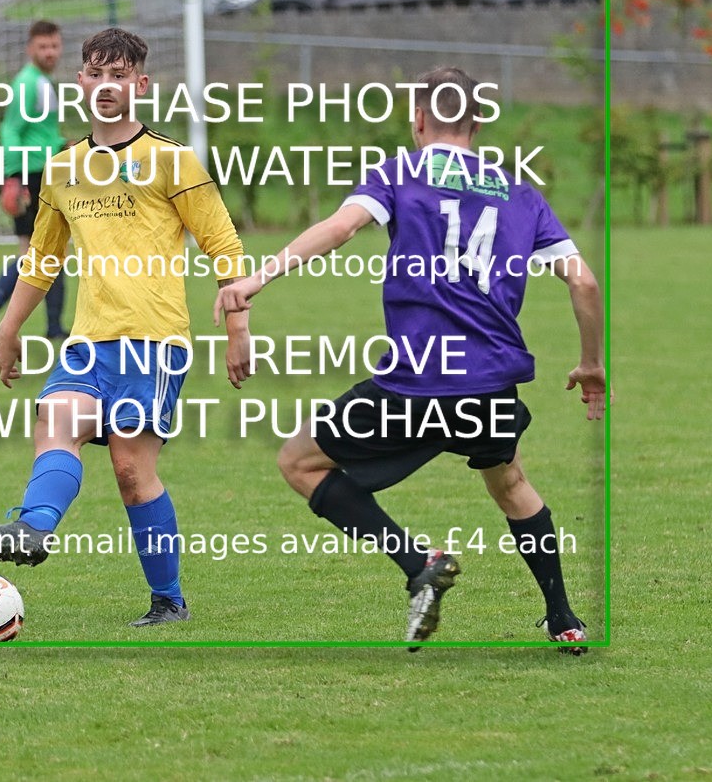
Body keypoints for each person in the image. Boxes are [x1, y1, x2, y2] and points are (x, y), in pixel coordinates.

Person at [214, 66, 607, 653]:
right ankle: (564, 618)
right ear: (475, 123)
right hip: (491, 382)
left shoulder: (399, 173)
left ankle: (419, 563)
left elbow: (341, 228)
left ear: (419, 119)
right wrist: (591, 364)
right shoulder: (520, 192)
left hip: (417, 381)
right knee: (510, 481)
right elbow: (584, 285)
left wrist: (258, 278)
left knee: (299, 462)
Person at [0, 27, 251, 627]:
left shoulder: (172, 160)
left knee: (130, 470)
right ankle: (31, 529)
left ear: (140, 85)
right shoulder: (63, 168)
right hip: (90, 342)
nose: (105, 85)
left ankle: (169, 601)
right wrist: (8, 331)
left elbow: (223, 245)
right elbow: (40, 260)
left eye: (119, 75)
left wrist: (238, 328)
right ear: (80, 82)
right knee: (54, 418)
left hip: (155, 343)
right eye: (95, 73)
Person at [0, 19, 70, 343]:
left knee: (49, 252)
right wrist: (15, 176)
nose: (50, 52)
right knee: (37, 254)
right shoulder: (29, 83)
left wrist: (59, 145)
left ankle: (52, 327)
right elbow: (11, 130)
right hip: (33, 175)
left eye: (54, 45)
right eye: (43, 46)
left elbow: (40, 133)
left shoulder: (42, 82)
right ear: (30, 49)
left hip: (43, 171)